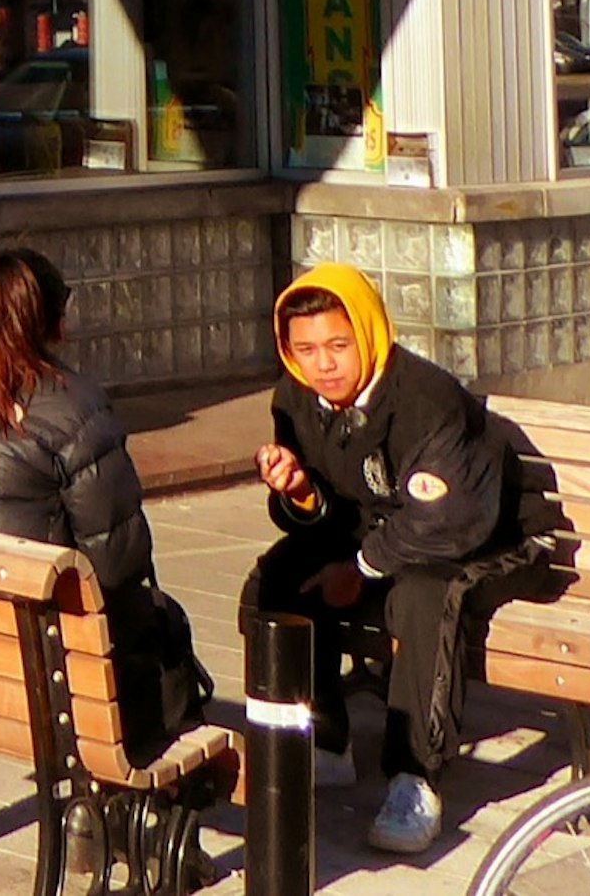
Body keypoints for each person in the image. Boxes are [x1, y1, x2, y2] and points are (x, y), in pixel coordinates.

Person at [242, 262, 538, 858]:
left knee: (424, 597)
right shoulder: (295, 399)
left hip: (483, 543)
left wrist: (361, 568)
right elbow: (322, 519)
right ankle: (321, 738)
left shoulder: (426, 400)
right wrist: (298, 491)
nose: (323, 364)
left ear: (369, 334)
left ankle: (415, 777)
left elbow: (443, 521)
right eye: (305, 349)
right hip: (379, 538)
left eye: (337, 345)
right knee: (277, 579)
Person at [0, 248, 211, 766]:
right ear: (56, 323)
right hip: (34, 654)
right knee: (163, 633)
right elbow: (119, 560)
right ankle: (140, 808)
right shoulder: (74, 407)